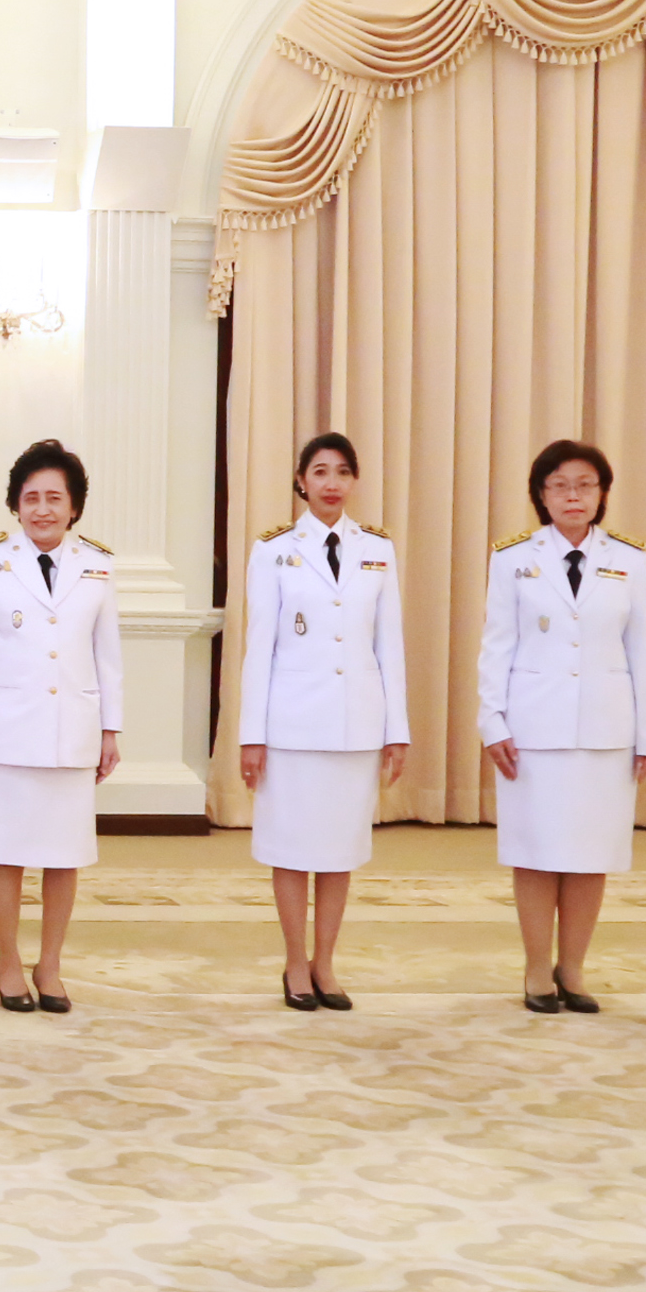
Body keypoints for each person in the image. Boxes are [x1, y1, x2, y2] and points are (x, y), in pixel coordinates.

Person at [481, 438, 646, 1015]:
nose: (573, 496)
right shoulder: (513, 557)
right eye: (559, 485)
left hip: (607, 729)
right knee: (535, 850)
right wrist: (492, 720)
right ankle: (537, 966)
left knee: (591, 852)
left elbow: (644, 650)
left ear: (602, 493)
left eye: (585, 485)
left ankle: (574, 967)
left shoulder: (628, 559)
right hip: (532, 729)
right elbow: (497, 644)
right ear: (542, 494)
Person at [0, 440, 122, 1014]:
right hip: (6, 733)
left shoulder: (98, 565)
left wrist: (111, 730)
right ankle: (8, 962)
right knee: (6, 851)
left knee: (64, 854)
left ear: (74, 507)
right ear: (15, 505)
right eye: (31, 498)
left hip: (73, 730)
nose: (42, 509)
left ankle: (50, 965)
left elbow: (108, 657)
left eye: (54, 498)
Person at [235, 431, 410, 1012]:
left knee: (339, 851)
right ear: (301, 481)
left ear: (353, 480)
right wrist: (252, 736)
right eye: (319, 471)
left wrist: (396, 730)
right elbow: (260, 649)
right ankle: (294, 962)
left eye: (341, 472)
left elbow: (390, 647)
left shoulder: (377, 549)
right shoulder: (273, 550)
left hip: (355, 726)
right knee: (291, 848)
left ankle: (325, 963)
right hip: (291, 727)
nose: (331, 483)